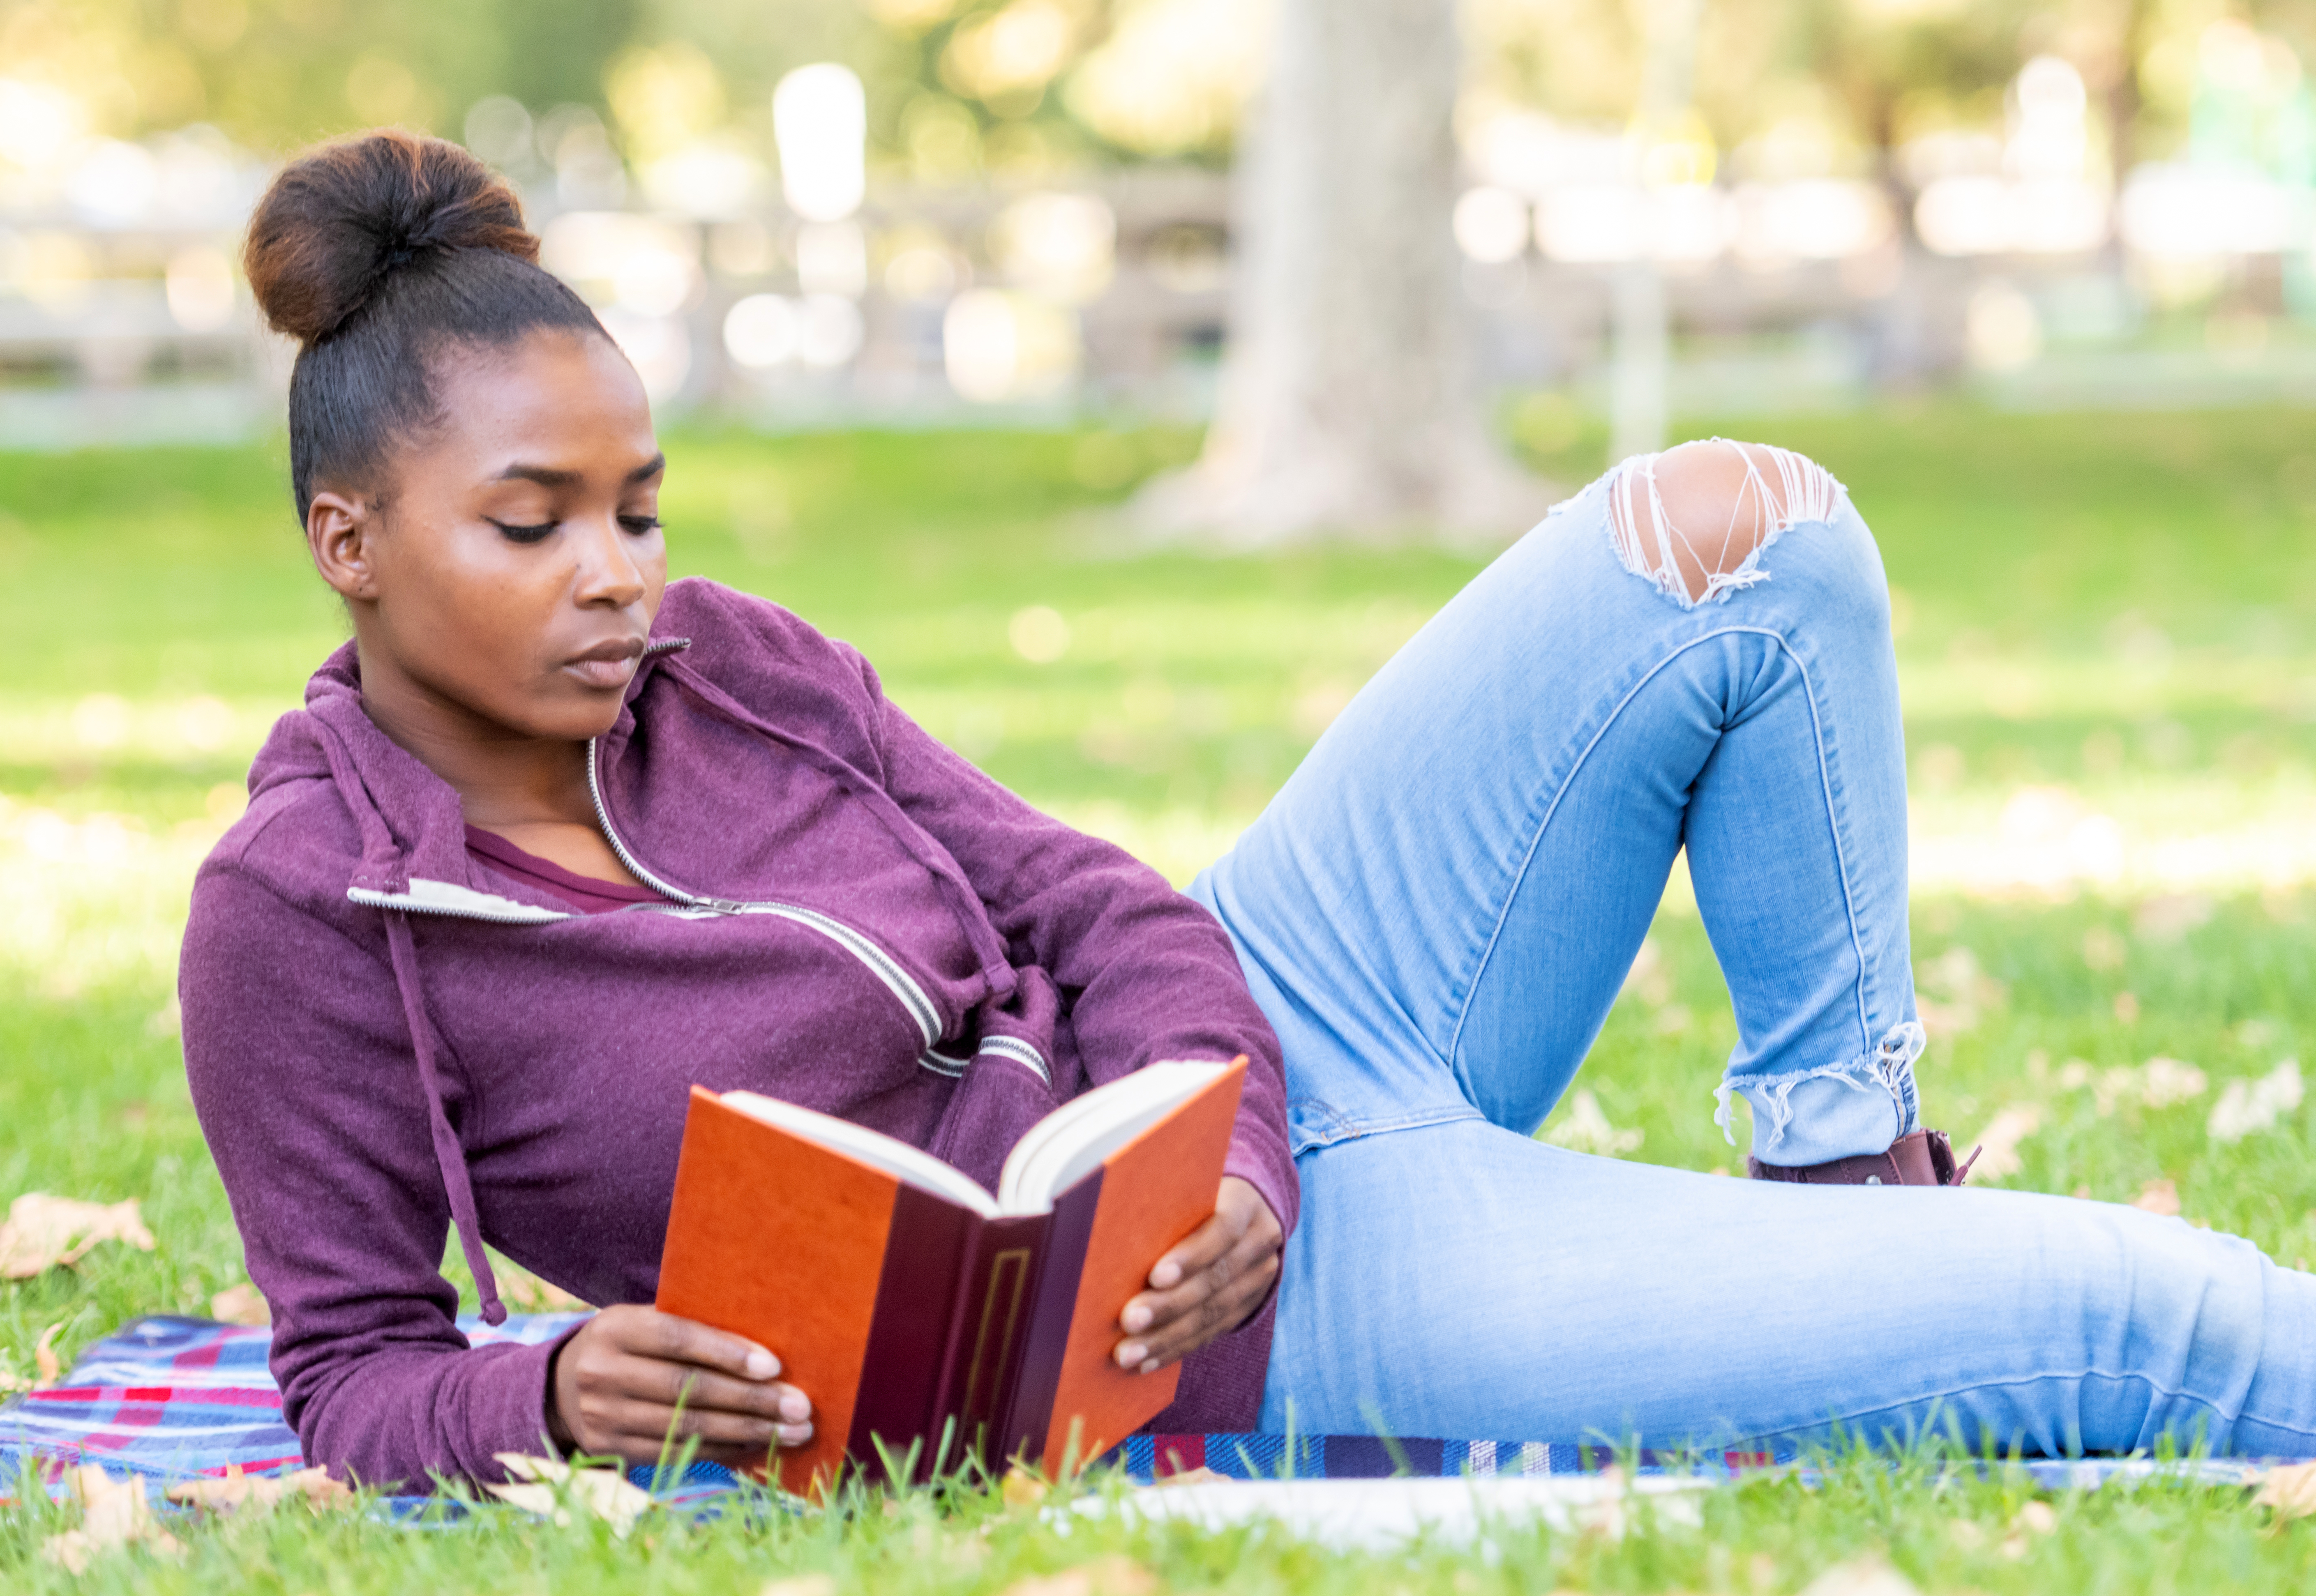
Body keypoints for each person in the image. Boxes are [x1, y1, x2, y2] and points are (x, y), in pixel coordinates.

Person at [180, 132, 2316, 1493]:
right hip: (1200, 1333)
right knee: (2163, 1320)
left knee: (1741, 538)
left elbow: (1092, 903)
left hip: (1262, 1071)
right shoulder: (300, 923)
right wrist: (544, 1401)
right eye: (532, 524)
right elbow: (360, 1377)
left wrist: (1235, 1131)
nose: (618, 575)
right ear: (349, 541)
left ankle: (1846, 1185)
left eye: (637, 509)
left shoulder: (724, 662)